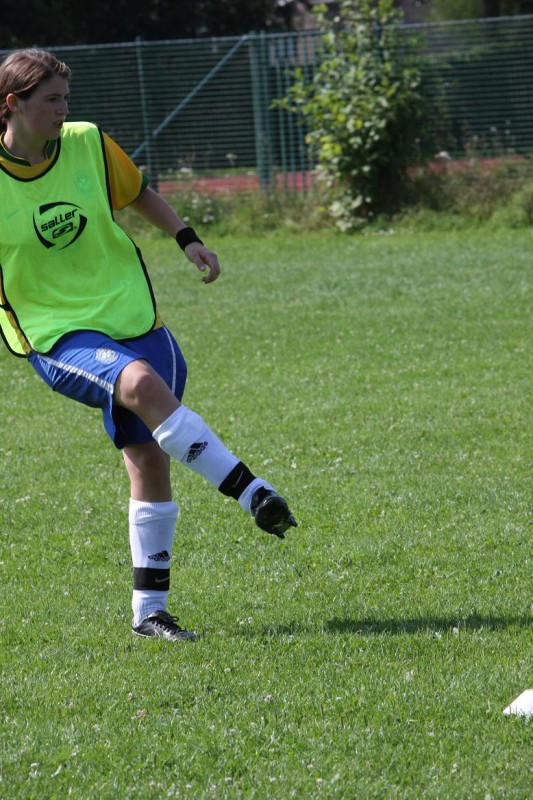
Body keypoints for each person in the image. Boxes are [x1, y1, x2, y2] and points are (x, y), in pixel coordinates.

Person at [0, 48, 297, 642]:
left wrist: (187, 239)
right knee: (137, 383)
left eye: (66, 98)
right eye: (51, 100)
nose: (63, 110)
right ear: (13, 104)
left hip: (132, 314)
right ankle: (251, 491)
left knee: (149, 457)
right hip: (54, 331)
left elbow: (138, 193)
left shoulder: (87, 142)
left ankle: (149, 613)